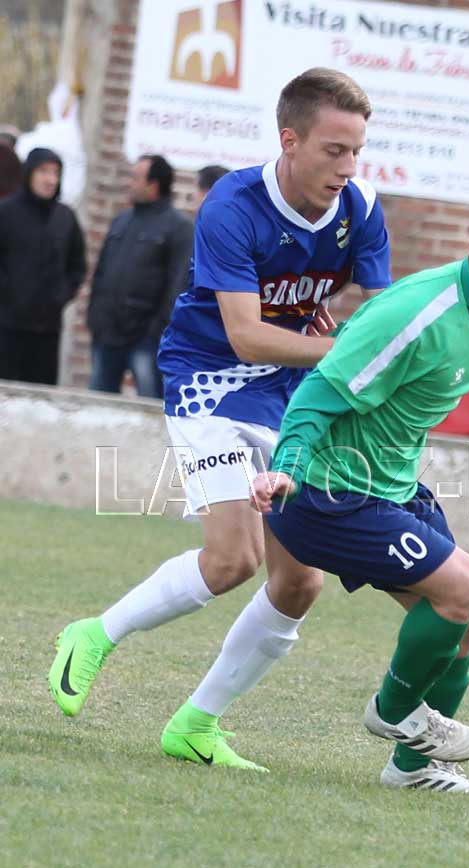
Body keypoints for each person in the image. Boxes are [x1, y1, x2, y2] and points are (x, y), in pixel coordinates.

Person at [48, 68, 391, 769]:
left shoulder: (360, 207)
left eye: (357, 150)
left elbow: (381, 316)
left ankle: (196, 724)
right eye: (334, 150)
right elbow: (246, 337)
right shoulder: (233, 205)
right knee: (234, 558)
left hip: (292, 392)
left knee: (300, 582)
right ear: (290, 141)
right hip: (211, 382)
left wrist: (359, 345)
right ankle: (94, 634)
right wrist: (345, 349)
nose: (348, 167)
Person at [250, 173, 469, 795]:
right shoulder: (419, 310)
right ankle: (393, 711)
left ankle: (413, 768)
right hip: (327, 491)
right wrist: (286, 465)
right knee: (464, 585)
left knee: (465, 624)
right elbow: (319, 391)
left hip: (388, 489)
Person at [87, 154, 194, 398]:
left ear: (153, 185)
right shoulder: (121, 221)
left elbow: (178, 285)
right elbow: (101, 273)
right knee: (97, 405)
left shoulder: (179, 228)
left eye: (135, 178)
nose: (129, 183)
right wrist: (95, 318)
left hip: (146, 339)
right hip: (107, 334)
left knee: (149, 404)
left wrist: (156, 331)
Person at [0, 147, 86, 384]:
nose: (50, 180)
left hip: (47, 328)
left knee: (41, 394)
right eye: (44, 172)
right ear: (29, 174)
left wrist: (61, 294)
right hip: (7, 325)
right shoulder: (6, 212)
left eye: (56, 173)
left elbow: (77, 265)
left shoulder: (65, 217)